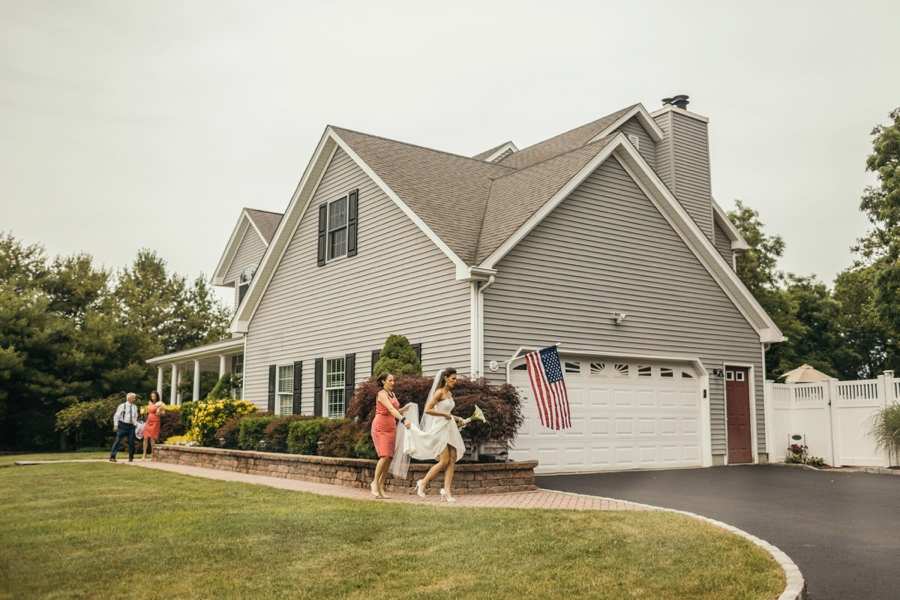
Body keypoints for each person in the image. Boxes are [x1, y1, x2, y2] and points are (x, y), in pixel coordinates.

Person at [403, 368, 466, 502]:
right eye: (453, 378)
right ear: (446, 378)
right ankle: (423, 482)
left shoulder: (450, 393)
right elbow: (428, 410)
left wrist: (457, 418)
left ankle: (447, 490)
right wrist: (444, 415)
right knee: (444, 461)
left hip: (450, 428)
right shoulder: (439, 393)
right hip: (440, 429)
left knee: (452, 458)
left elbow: (447, 412)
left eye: (456, 378)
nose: (456, 381)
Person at [369, 373, 411, 499]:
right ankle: (375, 483)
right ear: (383, 381)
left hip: (391, 426)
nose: (393, 383)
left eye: (394, 380)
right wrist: (403, 420)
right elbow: (390, 410)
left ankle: (381, 487)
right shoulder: (382, 394)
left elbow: (394, 410)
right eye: (390, 380)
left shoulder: (393, 394)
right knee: (384, 455)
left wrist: (403, 410)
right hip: (381, 426)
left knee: (389, 458)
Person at [109, 393, 139, 462]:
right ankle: (112, 456)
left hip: (131, 426)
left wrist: (135, 424)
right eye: (133, 398)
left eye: (134, 398)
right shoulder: (122, 406)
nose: (134, 399)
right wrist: (116, 425)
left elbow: (135, 416)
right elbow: (116, 415)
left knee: (131, 441)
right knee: (118, 440)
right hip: (122, 425)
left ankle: (131, 456)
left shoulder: (134, 406)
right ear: (128, 398)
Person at [141, 390, 165, 460]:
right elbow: (149, 411)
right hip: (149, 421)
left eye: (154, 396)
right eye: (151, 396)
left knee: (152, 438)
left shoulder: (160, 403)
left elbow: (163, 413)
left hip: (155, 421)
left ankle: (152, 453)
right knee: (145, 437)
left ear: (157, 396)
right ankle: (144, 453)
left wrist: (160, 412)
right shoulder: (150, 403)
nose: (152, 397)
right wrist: (145, 413)